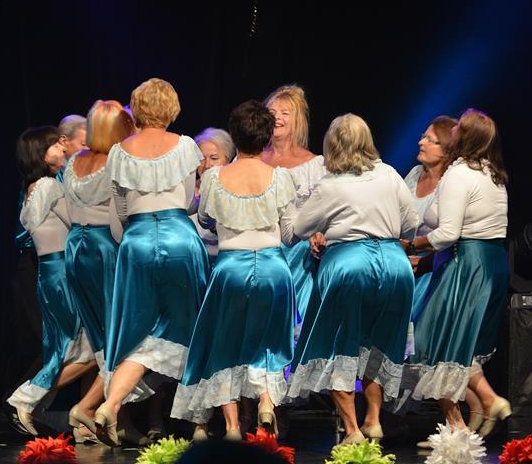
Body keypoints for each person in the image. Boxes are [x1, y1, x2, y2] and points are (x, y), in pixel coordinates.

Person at [282, 114, 418, 444]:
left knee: (336, 343)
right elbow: (411, 225)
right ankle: (373, 419)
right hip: (396, 266)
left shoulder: (331, 185)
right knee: (378, 341)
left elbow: (296, 231)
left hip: (350, 264)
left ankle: (353, 429)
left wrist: (288, 204)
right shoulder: (389, 174)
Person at [93, 79, 209, 447]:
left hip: (137, 241)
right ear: (171, 109)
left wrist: (132, 238)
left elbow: (118, 214)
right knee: (191, 328)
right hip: (179, 238)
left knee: (137, 332)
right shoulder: (186, 146)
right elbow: (188, 202)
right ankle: (199, 424)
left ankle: (111, 403)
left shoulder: (119, 152)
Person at [171, 101, 297, 439]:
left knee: (224, 345)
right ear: (267, 138)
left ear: (234, 136)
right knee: (269, 342)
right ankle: (266, 401)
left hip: (231, 268)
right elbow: (289, 233)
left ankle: (231, 426)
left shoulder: (214, 177)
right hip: (273, 267)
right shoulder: (280, 177)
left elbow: (206, 220)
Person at [408, 109, 511, 436]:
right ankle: (464, 420)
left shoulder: (460, 173)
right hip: (491, 262)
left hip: (466, 263)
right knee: (455, 343)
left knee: (432, 340)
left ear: (463, 136)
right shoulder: (492, 173)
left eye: (458, 128)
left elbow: (448, 234)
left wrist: (411, 245)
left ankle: (487, 400)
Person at [7, 126, 93, 435]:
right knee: (92, 349)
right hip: (61, 272)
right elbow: (80, 223)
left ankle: (38, 405)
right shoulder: (49, 186)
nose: (63, 149)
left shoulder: (34, 187)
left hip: (50, 272)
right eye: (56, 145)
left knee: (65, 347)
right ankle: (28, 397)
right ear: (41, 154)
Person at [62, 100, 134, 443]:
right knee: (117, 335)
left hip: (76, 246)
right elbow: (121, 214)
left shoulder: (75, 160)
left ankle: (100, 417)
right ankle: (92, 409)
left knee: (98, 334)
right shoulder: (117, 160)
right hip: (105, 246)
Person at [262, 85, 327, 328]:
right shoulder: (251, 158)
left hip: (298, 259)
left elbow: (323, 211)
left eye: (285, 113)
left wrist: (319, 235)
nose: (277, 117)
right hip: (259, 250)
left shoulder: (315, 165)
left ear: (297, 120)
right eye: (272, 112)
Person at [191, 127, 235, 258]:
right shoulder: (188, 192)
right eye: (202, 159)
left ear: (227, 161)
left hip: (227, 259)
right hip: (195, 260)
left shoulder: (236, 193)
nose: (207, 165)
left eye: (214, 158)